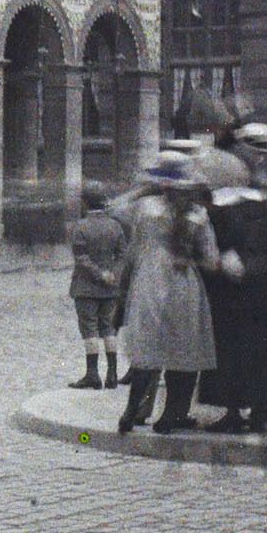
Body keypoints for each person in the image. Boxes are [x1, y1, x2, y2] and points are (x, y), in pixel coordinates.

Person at [117, 155, 222, 435]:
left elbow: (120, 213)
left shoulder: (146, 208)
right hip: (184, 282)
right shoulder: (198, 215)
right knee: (184, 348)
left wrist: (145, 187)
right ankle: (171, 415)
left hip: (150, 280)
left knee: (147, 347)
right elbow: (211, 259)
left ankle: (131, 411)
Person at [204, 123, 267, 434]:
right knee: (233, 342)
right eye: (256, 150)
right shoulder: (226, 179)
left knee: (257, 343)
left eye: (265, 151)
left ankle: (258, 409)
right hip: (234, 277)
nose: (261, 157)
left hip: (260, 274)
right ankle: (237, 409)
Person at [68, 180, 129, 389]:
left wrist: (99, 274)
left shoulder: (81, 227)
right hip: (110, 288)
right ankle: (112, 373)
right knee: (109, 328)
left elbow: (81, 258)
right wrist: (113, 274)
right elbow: (122, 255)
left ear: (85, 203)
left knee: (90, 330)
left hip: (86, 287)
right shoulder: (115, 226)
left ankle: (92, 374)